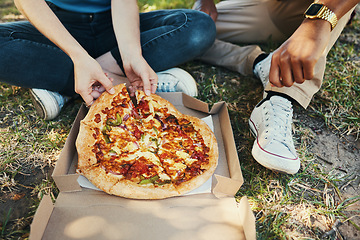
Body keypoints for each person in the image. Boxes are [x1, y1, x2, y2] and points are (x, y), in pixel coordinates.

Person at [194, 0, 359, 174]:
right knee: (191, 26)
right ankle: (261, 62)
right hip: (272, 6)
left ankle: (279, 96)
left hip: (323, 5)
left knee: (331, 9)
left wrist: (318, 21)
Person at [0, 0, 216, 120]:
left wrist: (132, 55)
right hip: (58, 24)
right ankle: (116, 81)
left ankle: (69, 83)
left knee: (198, 26)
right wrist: (77, 55)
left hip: (114, 25)